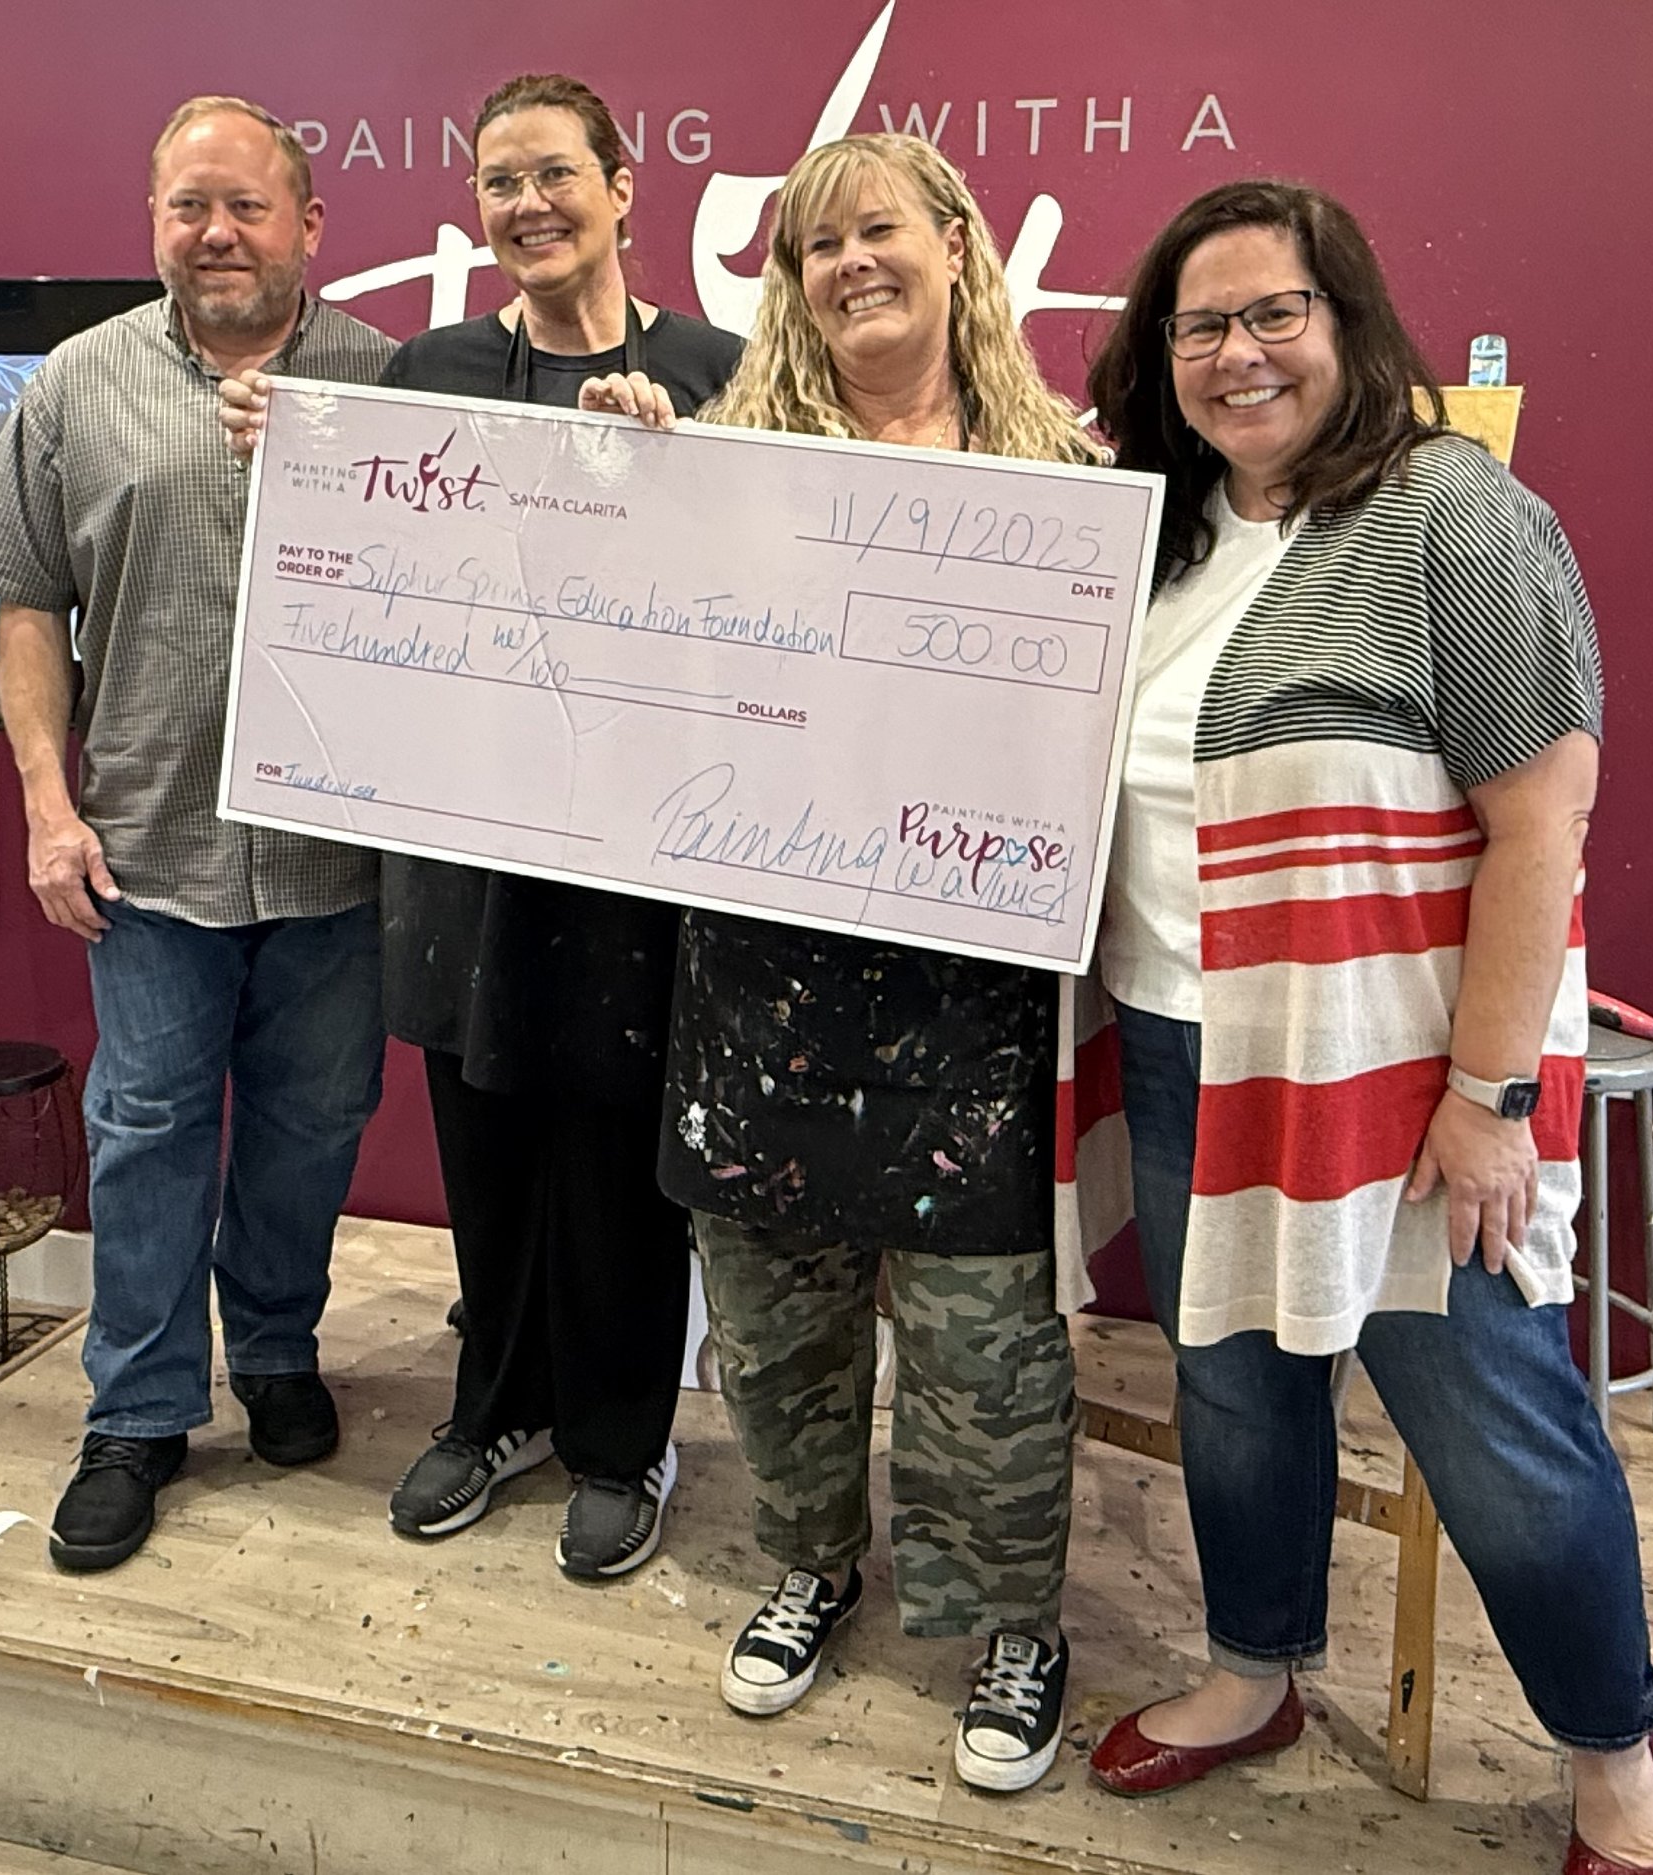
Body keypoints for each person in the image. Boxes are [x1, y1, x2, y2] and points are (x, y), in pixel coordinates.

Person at [1075, 180, 1653, 1874]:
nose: (1238, 354)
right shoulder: (1156, 535)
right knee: (1234, 1387)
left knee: (1493, 1427)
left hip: (1396, 1073)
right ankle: (1254, 1670)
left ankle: (1614, 1759)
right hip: (1189, 1043)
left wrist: (1489, 1096)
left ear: (1347, 321)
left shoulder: (1447, 513)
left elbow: (1542, 823)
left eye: (1275, 313)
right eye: (1201, 325)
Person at [581, 131, 1097, 1795]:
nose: (852, 263)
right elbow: (609, 656)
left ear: (956, 244)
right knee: (777, 1329)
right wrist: (620, 485)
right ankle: (811, 1561)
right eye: (817, 245)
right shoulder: (725, 466)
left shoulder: (1072, 476)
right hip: (762, 985)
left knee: (984, 1346)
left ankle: (1012, 1620)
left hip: (970, 1002)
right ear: (792, 285)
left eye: (879, 230)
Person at [221, 74, 740, 1580]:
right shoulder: (430, 370)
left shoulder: (719, 372)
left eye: (555, 173)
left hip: (646, 846)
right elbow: (355, 558)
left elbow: (761, 595)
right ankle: (497, 1406)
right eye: (500, 181)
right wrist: (288, 457)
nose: (528, 204)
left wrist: (682, 470)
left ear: (623, 186)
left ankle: (622, 1439)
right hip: (463, 842)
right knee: (486, 1136)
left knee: (621, 1154)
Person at [0, 98, 398, 1575]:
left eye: (247, 207)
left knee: (314, 1122)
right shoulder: (76, 385)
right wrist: (45, 804)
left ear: (308, 225)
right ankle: (136, 1414)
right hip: (145, 846)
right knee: (145, 1132)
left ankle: (273, 1348)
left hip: (338, 856)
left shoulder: (390, 387)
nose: (217, 234)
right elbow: (24, 600)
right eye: (189, 206)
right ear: (154, 221)